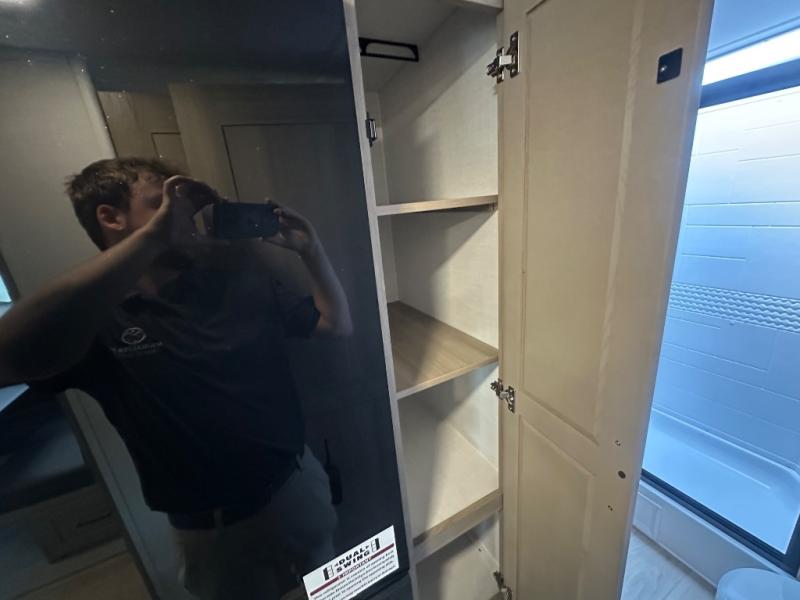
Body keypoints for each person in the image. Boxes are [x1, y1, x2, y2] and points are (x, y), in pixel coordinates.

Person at [0, 157, 352, 599]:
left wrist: (311, 251)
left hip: (297, 488)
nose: (188, 217)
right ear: (111, 217)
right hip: (215, 532)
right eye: (162, 203)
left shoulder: (236, 283)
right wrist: (153, 237)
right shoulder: (93, 320)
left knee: (327, 592)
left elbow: (334, 324)